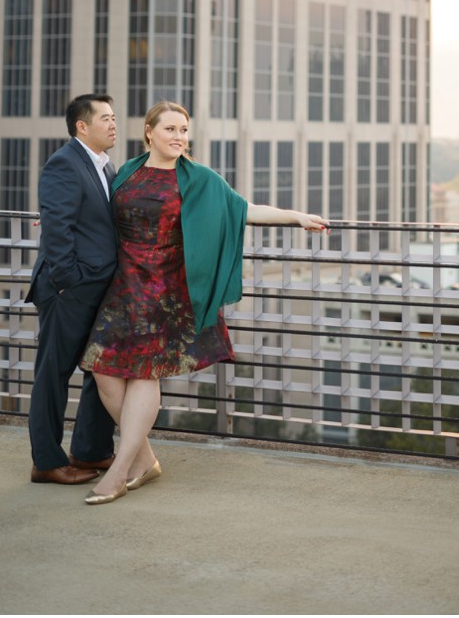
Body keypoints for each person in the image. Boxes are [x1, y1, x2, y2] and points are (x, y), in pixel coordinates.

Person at [78, 100, 327, 505]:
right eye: (170, 129)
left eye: (183, 130)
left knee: (144, 375)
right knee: (104, 373)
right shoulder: (128, 172)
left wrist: (296, 216)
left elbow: (242, 210)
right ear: (149, 132)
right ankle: (145, 460)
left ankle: (120, 471)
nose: (179, 137)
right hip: (123, 288)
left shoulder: (198, 180)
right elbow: (100, 214)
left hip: (166, 292)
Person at [26, 93, 120, 485]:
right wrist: (70, 284)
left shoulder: (106, 166)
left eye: (114, 117)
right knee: (54, 374)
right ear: (82, 126)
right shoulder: (64, 163)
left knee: (100, 371)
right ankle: (47, 462)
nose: (114, 124)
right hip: (70, 291)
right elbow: (57, 230)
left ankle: (90, 452)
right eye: (106, 118)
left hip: (100, 288)